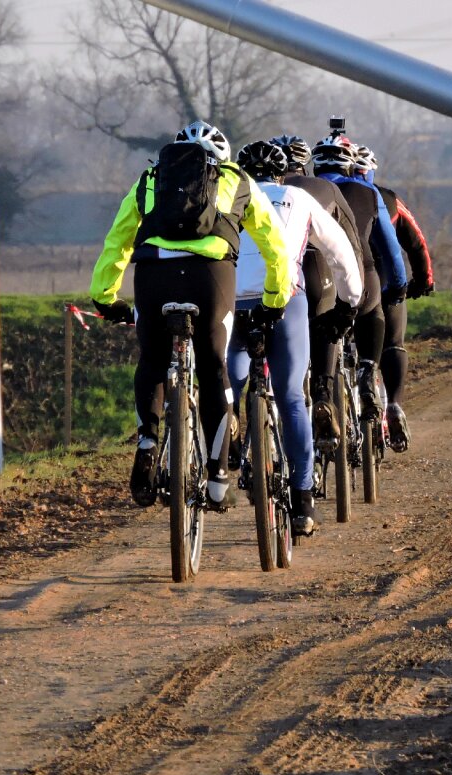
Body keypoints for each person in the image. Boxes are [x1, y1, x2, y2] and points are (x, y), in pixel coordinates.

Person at [89, 121, 292, 512]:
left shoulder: (150, 179)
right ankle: (217, 480)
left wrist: (104, 297)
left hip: (154, 277)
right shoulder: (238, 179)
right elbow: (274, 245)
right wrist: (274, 298)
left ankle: (148, 439)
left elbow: (118, 239)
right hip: (210, 279)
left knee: (152, 359)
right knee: (214, 368)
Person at [228, 140, 361, 536]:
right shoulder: (296, 198)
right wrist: (349, 302)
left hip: (234, 305)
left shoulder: (229, 198)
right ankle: (303, 499)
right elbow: (339, 250)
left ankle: (225, 447)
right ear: (282, 174)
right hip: (286, 300)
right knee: (289, 396)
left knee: (229, 386)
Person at [269, 134, 364, 443]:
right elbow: (351, 244)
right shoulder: (325, 189)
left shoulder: (260, 192)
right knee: (325, 328)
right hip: (320, 271)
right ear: (305, 163)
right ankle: (323, 391)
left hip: (279, 276)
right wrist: (352, 299)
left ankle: (265, 401)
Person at [311, 134, 407, 420]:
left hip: (319, 275)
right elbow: (391, 250)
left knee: (321, 325)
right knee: (372, 311)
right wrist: (398, 286)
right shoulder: (369, 192)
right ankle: (367, 369)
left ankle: (321, 391)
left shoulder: (305, 190)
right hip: (364, 274)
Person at [354, 144, 434, 451]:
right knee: (393, 343)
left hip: (341, 283)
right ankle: (395, 405)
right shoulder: (387, 198)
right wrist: (424, 281)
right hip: (386, 281)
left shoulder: (329, 194)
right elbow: (416, 243)